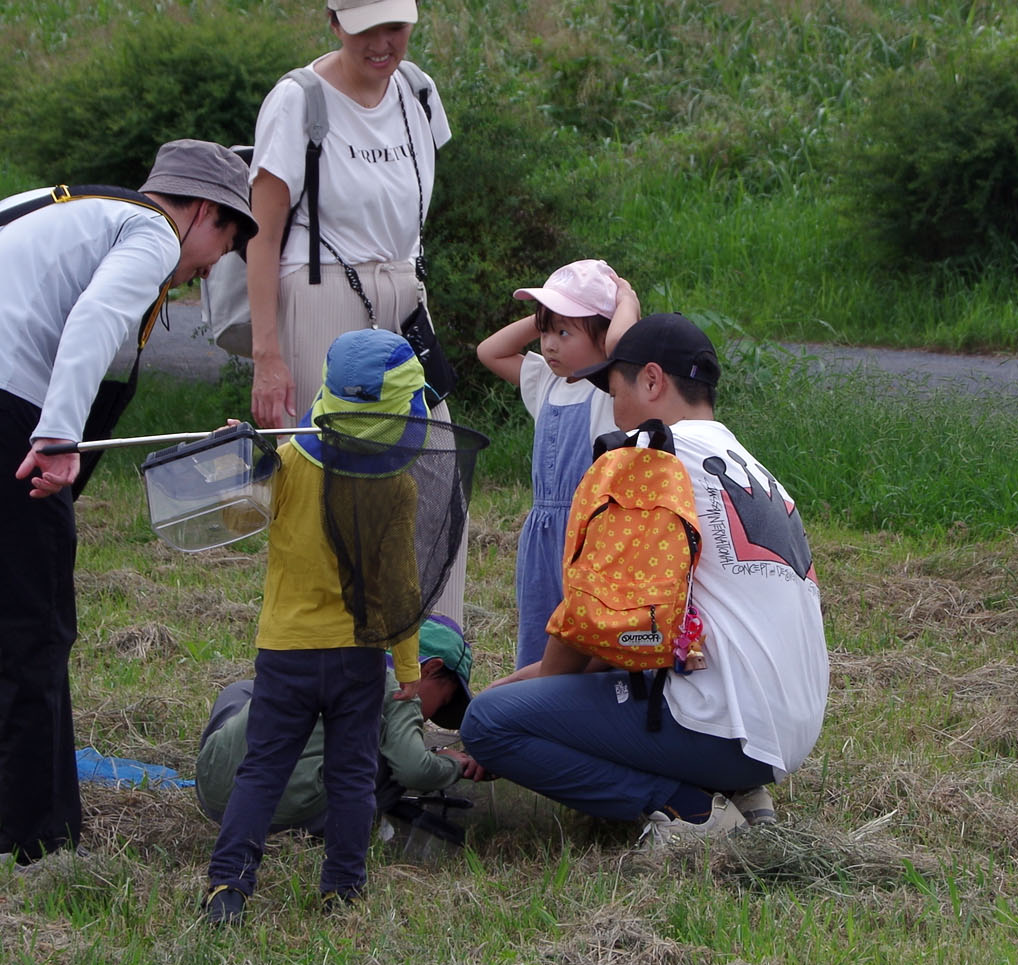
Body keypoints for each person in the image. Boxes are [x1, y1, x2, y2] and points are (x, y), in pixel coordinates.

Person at [0, 141, 254, 866]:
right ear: (204, 212)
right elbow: (94, 320)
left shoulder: (42, 204)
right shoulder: (149, 230)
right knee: (31, 628)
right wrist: (57, 434)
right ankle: (40, 841)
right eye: (224, 245)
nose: (208, 268)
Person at [460, 314, 826, 847]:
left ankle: (690, 809)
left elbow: (599, 615)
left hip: (725, 725)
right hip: (789, 729)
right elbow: (647, 627)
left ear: (652, 381)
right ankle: (738, 790)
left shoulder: (649, 452)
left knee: (491, 722)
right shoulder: (751, 466)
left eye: (614, 390)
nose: (613, 408)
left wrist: (532, 690)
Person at [244, 0, 468, 623]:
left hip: (403, 297)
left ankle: (432, 667)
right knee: (335, 487)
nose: (382, 43)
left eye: (395, 25)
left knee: (438, 470)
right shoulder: (298, 102)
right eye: (366, 27)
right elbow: (262, 231)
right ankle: (340, 672)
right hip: (318, 300)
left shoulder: (418, 92)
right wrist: (267, 355)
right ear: (333, 23)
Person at [203, 329, 445, 925]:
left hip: (285, 653)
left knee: (261, 769)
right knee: (351, 773)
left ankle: (227, 888)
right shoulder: (399, 486)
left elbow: (237, 516)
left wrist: (234, 459)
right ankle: (342, 888)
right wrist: (408, 670)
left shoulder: (287, 461)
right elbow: (401, 590)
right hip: (358, 659)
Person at [476, 260, 641, 668]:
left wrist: (626, 302)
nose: (548, 345)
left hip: (588, 534)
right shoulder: (546, 382)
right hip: (543, 534)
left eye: (565, 333)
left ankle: (575, 706)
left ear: (604, 336)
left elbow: (624, 346)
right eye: (545, 332)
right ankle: (535, 701)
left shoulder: (610, 388)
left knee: (585, 631)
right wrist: (547, 315)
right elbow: (489, 351)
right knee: (539, 624)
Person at [193, 615, 480, 841]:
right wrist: (449, 765)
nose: (431, 717)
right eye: (442, 702)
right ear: (429, 669)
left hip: (214, 796)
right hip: (288, 815)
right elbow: (414, 769)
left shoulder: (331, 656)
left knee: (242, 689)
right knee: (389, 758)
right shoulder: (403, 689)